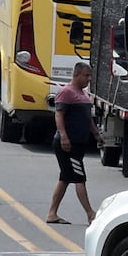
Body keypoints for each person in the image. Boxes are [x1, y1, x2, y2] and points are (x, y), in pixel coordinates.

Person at [47, 63, 103, 225]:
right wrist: (64, 137)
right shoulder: (66, 92)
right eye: (86, 76)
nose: (89, 79)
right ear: (77, 75)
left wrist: (96, 134)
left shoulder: (82, 94)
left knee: (65, 178)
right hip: (67, 144)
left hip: (79, 143)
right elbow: (59, 116)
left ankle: (52, 213)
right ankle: (90, 213)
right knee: (79, 178)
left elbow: (87, 118)